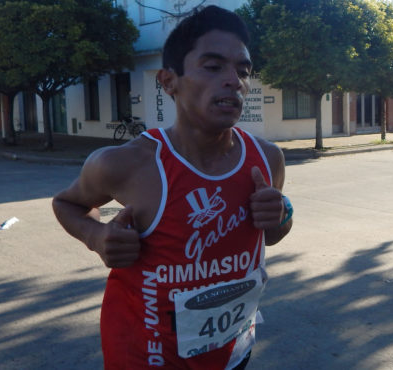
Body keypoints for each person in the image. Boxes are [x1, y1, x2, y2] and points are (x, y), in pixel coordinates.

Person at [52, 5, 292, 369]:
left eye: (243, 71)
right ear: (168, 81)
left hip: (234, 349)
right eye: (213, 67)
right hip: (146, 355)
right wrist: (96, 237)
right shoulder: (126, 164)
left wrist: (281, 213)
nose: (233, 80)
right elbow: (67, 204)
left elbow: (272, 234)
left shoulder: (268, 158)